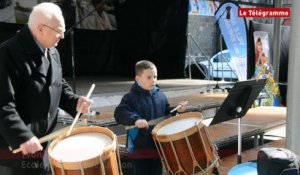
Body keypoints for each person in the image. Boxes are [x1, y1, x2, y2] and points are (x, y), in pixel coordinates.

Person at [0, 2, 92, 175]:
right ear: (40, 29)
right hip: (17, 149)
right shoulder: (8, 53)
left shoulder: (52, 50)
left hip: (43, 144)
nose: (63, 36)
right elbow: (3, 104)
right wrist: (22, 136)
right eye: (59, 30)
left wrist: (75, 102)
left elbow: (58, 84)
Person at [114, 60, 186, 175]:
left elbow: (166, 112)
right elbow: (119, 113)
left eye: (155, 76)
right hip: (138, 148)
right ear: (137, 79)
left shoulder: (160, 95)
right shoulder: (130, 97)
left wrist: (176, 110)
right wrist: (136, 120)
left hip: (157, 146)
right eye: (149, 77)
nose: (153, 80)